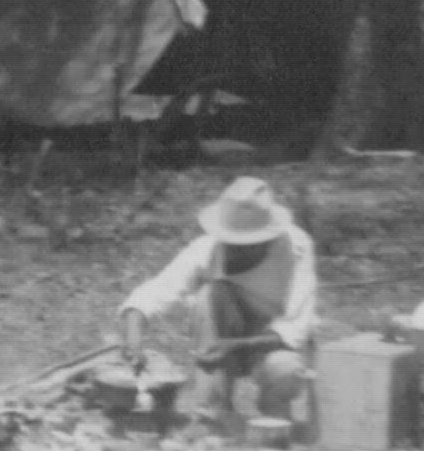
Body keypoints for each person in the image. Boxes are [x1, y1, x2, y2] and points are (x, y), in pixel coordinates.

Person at [118, 176, 318, 425]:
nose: (237, 249)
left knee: (285, 370)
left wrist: (234, 345)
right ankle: (215, 413)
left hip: (271, 345)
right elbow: (157, 291)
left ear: (267, 238)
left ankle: (275, 425)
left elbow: (293, 331)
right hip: (222, 340)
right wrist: (134, 337)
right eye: (233, 243)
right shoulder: (207, 248)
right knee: (210, 296)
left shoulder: (295, 248)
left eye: (248, 244)